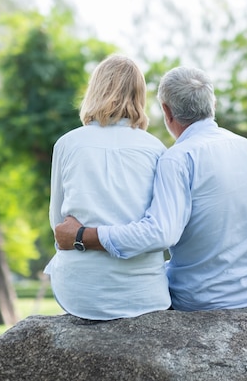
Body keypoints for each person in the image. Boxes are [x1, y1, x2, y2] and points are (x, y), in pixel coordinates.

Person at [55, 66, 247, 312]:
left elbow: (160, 233)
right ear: (212, 104)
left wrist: (82, 235)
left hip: (201, 299)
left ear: (166, 111)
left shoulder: (178, 158)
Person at [44, 55, 171, 320]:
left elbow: (58, 224)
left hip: (80, 295)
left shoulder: (67, 144)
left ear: (95, 91)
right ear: (139, 96)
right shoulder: (157, 149)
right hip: (145, 293)